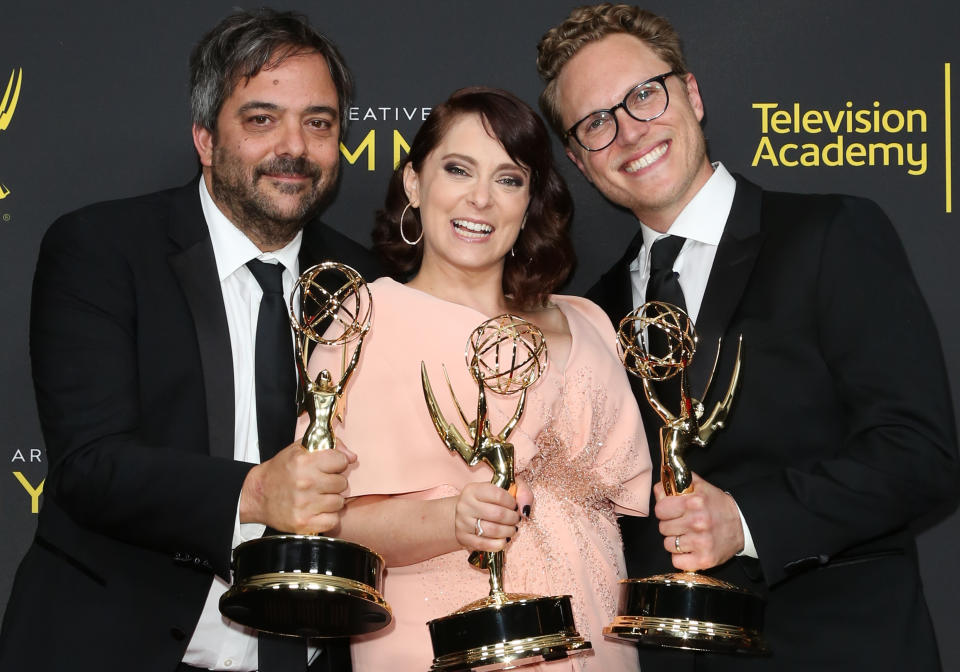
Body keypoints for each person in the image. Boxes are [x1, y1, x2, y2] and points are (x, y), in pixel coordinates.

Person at [536, 4, 960, 671]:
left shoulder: (830, 236)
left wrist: (749, 521)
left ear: (692, 94)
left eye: (644, 96)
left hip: (837, 650)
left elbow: (920, 454)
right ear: (579, 160)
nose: (628, 132)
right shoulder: (591, 314)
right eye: (596, 122)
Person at [0, 9, 377, 672]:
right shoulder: (103, 250)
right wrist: (255, 492)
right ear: (205, 138)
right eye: (262, 119)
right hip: (118, 648)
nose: (295, 146)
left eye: (318, 122)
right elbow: (90, 465)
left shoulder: (365, 282)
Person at [301, 87, 651, 671]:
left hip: (597, 639)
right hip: (443, 643)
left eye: (509, 179)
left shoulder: (586, 320)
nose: (481, 199)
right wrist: (450, 519)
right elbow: (328, 523)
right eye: (458, 169)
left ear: (531, 199)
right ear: (414, 182)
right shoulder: (366, 320)